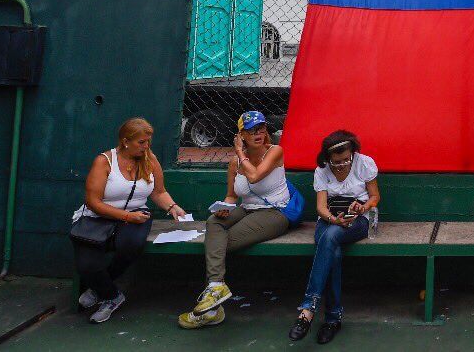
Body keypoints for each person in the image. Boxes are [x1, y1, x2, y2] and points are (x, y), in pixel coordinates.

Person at [179, 111, 292, 329]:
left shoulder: (275, 151)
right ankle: (215, 286)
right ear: (241, 135)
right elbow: (232, 195)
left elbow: (255, 175)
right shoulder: (234, 163)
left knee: (218, 244)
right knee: (214, 222)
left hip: (274, 213)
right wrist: (225, 208)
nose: (258, 133)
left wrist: (241, 152)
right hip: (246, 208)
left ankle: (211, 307)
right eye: (251, 131)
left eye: (260, 128)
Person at [72, 118, 186, 323]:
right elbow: (92, 202)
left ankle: (101, 292)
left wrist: (172, 207)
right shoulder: (104, 161)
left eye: (148, 142)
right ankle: (112, 295)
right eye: (141, 142)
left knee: (131, 245)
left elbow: (159, 192)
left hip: (136, 215)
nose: (146, 147)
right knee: (87, 264)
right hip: (100, 216)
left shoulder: (150, 160)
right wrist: (126, 216)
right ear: (125, 141)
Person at [289, 130, 380, 344]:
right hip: (330, 219)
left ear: (352, 153)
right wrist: (333, 219)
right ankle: (332, 319)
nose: (341, 165)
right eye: (336, 162)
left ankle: (308, 308)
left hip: (358, 220)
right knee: (334, 251)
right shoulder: (322, 170)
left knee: (330, 239)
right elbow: (320, 208)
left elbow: (375, 196)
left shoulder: (364, 163)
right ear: (327, 158)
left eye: (345, 160)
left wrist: (363, 206)